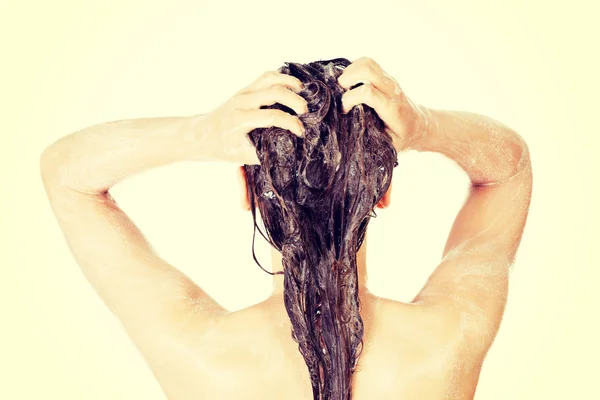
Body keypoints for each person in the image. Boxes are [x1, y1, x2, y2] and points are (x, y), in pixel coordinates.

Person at [40, 57, 532, 400]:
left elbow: (66, 175)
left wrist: (201, 133)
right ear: (381, 191)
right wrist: (423, 126)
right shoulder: (444, 343)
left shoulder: (203, 356)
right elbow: (508, 168)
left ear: (248, 189)